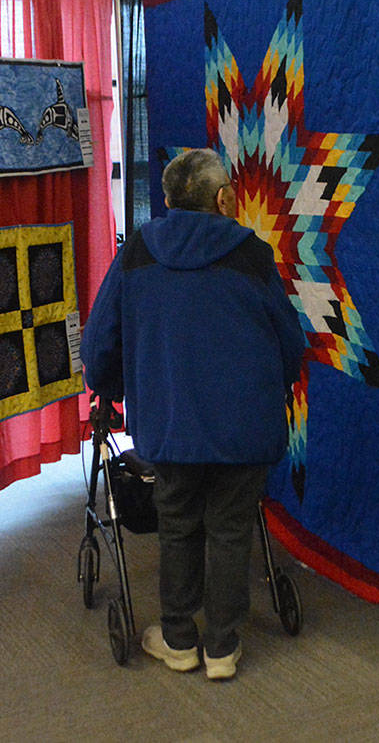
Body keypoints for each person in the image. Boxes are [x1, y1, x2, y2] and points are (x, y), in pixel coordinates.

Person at [80, 148, 305, 681]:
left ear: (167, 201)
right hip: (245, 427)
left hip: (170, 424)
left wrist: (110, 391)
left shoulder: (137, 252)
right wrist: (274, 383)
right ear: (224, 199)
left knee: (178, 525)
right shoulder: (251, 255)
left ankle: (179, 640)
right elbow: (290, 343)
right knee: (230, 529)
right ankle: (223, 649)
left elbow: (98, 346)